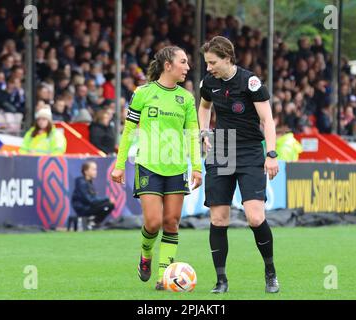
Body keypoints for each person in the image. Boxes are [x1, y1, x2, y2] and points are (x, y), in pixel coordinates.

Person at [111, 46, 203, 290]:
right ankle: (145, 252)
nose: (188, 67)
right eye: (183, 62)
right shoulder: (143, 93)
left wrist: (196, 167)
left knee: (171, 222)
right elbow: (129, 130)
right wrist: (119, 165)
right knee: (152, 223)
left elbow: (193, 135)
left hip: (176, 167)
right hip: (148, 165)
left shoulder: (187, 98)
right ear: (168, 65)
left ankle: (164, 276)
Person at [198, 36, 280, 294]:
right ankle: (221, 281)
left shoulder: (250, 81)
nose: (208, 67)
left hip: (249, 151)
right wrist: (203, 131)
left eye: (212, 62)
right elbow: (203, 106)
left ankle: (270, 272)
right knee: (218, 218)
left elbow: (267, 120)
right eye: (206, 63)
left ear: (227, 58)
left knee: (255, 217)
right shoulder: (208, 83)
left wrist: (272, 154)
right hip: (222, 148)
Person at [71, 160, 115, 230]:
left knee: (110, 204)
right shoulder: (82, 183)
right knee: (109, 204)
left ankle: (94, 223)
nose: (96, 172)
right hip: (83, 208)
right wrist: (107, 199)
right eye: (93, 169)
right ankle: (93, 223)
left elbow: (93, 199)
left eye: (96, 169)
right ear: (86, 171)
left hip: (88, 206)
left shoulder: (89, 182)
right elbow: (90, 200)